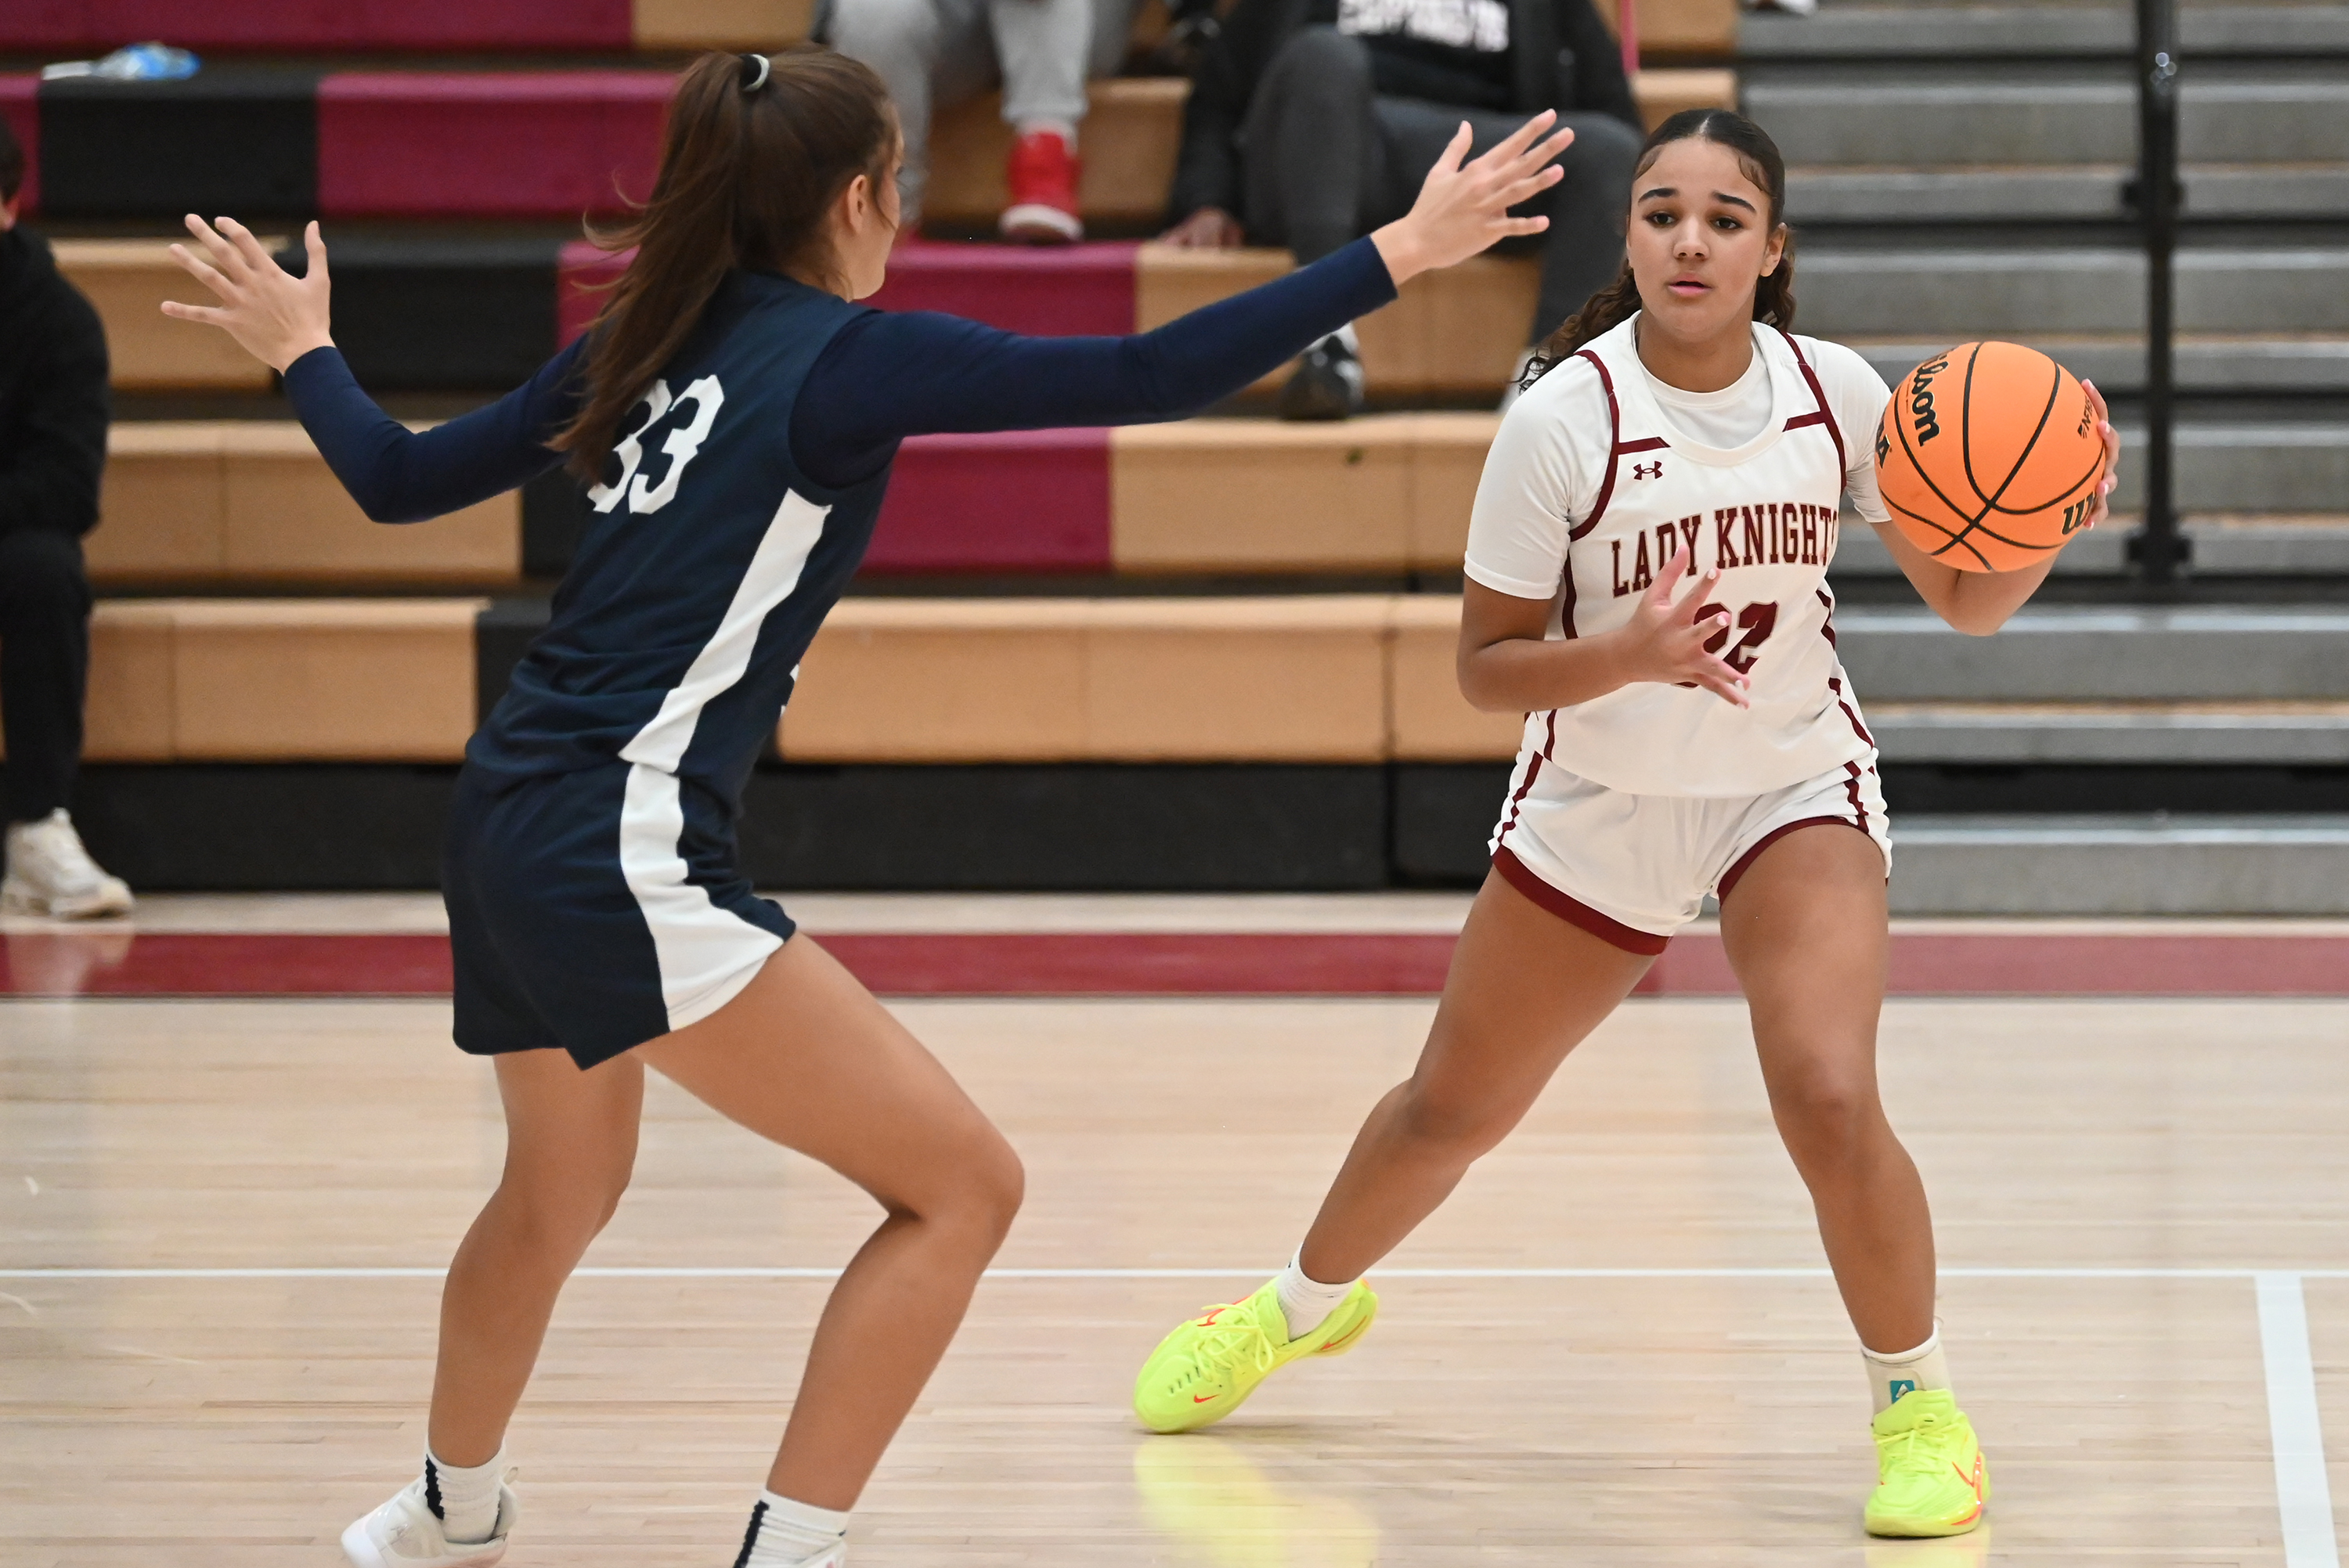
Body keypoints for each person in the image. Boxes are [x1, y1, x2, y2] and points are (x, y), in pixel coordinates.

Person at [162, 46, 1571, 1568]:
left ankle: (451, 1504)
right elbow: (1142, 375)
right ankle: (793, 1541)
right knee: (963, 1185)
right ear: (854, 197)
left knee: (557, 1185)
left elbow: (394, 476)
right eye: (897, 178)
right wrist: (1398, 254)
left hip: (502, 814)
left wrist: (306, 348)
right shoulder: (846, 356)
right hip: (617, 839)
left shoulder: (640, 335)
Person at [1131, 109, 2121, 1541]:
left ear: (1772, 250)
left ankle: (1922, 1408)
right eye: (1662, 211)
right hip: (1601, 792)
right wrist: (1623, 659)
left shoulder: (1837, 393)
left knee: (1829, 1094)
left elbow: (1967, 603)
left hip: (1788, 781)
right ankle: (1293, 1308)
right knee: (1447, 1111)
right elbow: (1483, 671)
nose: (1691, 238)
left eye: (1726, 217)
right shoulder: (1560, 419)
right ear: (1630, 238)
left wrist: (2043, 519)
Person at [1160, 0, 1647, 420]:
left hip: (1480, 166)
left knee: (1610, 150)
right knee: (1323, 54)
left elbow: (1611, 106)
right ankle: (1325, 342)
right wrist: (1208, 200)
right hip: (1334, 158)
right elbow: (1218, 93)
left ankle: (1544, 388)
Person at [0, 117, 135, 920]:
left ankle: (36, 827)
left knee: (46, 570)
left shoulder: (57, 319)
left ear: (9, 206)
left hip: (8, 535)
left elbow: (67, 487)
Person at [818, 0, 1136, 243]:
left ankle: (1046, 151)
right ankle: (886, 204)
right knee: (874, 13)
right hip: (946, 34)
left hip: (1076, 28)